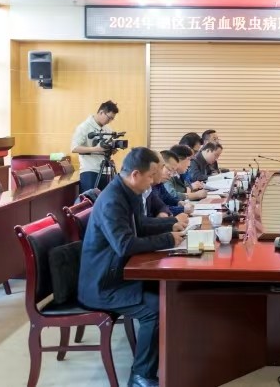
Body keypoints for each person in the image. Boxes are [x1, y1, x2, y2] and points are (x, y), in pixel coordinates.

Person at [78, 147, 185, 387]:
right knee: (155, 311)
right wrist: (168, 240)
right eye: (151, 176)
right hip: (103, 285)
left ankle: (169, 354)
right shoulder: (113, 200)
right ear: (136, 174)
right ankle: (140, 376)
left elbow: (140, 224)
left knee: (168, 293)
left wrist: (170, 224)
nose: (153, 182)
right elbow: (125, 244)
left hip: (118, 274)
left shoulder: (128, 191)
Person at [71, 100, 120, 192]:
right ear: (101, 112)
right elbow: (74, 148)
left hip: (106, 170)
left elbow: (107, 147)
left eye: (112, 119)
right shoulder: (84, 127)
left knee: (106, 199)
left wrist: (112, 149)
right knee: (90, 199)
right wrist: (96, 149)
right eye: (109, 118)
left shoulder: (107, 129)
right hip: (90, 170)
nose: (109, 121)